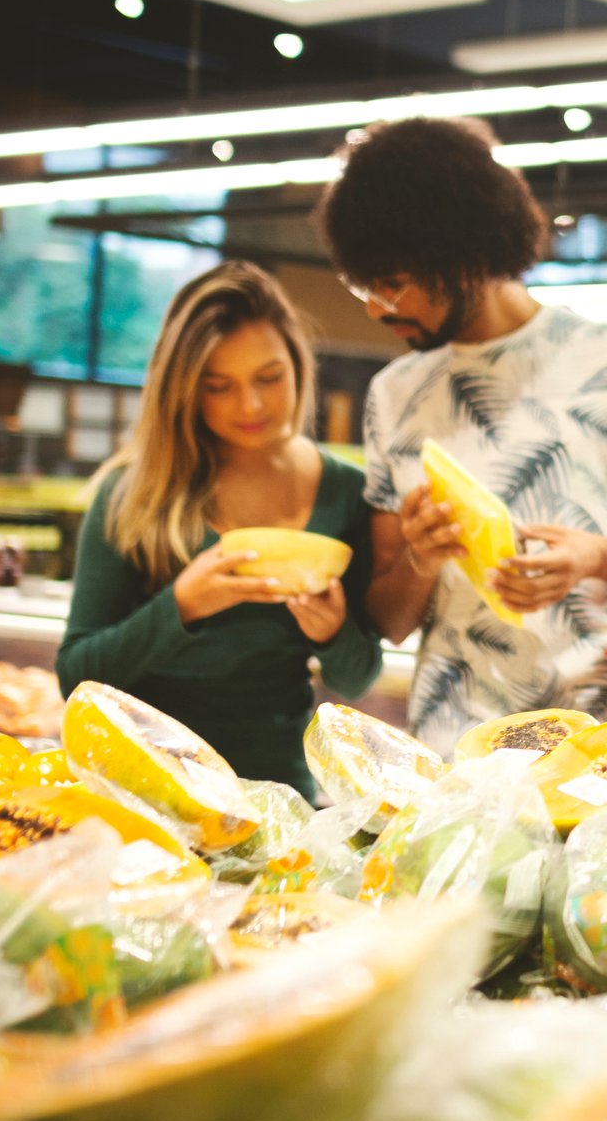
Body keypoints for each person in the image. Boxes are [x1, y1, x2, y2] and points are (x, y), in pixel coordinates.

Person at [314, 116, 607, 755]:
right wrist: (422, 557)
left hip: (602, 758)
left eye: (393, 283)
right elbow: (389, 621)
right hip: (450, 759)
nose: (375, 308)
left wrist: (600, 558)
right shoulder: (393, 392)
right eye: (363, 284)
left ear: (465, 256)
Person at [58, 263, 379, 797]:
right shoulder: (131, 493)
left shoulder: (346, 491)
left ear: (298, 365)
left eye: (269, 378)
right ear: (184, 391)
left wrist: (333, 632)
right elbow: (76, 675)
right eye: (219, 386)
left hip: (278, 794)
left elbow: (359, 677)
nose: (251, 405)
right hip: (142, 790)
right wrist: (181, 604)